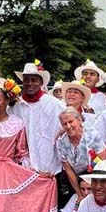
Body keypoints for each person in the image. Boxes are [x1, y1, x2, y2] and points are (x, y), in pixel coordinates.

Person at [11, 60, 65, 188]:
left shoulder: (54, 104)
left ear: (41, 82)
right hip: (23, 167)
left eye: (34, 80)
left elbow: (67, 124)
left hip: (48, 165)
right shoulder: (15, 106)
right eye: (26, 80)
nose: (30, 83)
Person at [55, 106, 106, 201]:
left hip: (94, 174)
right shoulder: (61, 142)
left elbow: (102, 155)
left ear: (79, 120)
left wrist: (92, 166)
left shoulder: (92, 134)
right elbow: (68, 169)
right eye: (64, 124)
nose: (68, 126)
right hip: (74, 178)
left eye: (71, 122)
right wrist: (79, 193)